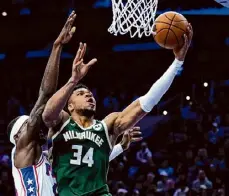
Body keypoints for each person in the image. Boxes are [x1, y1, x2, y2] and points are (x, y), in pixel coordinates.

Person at [42, 24, 193, 195]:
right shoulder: (62, 122)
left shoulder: (107, 125)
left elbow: (146, 102)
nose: (89, 96)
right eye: (82, 94)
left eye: (90, 94)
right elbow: (47, 114)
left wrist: (177, 63)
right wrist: (73, 81)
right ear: (70, 106)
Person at [6, 11, 77, 196]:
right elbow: (45, 96)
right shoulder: (22, 149)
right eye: (27, 125)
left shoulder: (46, 157)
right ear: (17, 138)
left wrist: (120, 146)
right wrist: (57, 46)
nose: (35, 125)